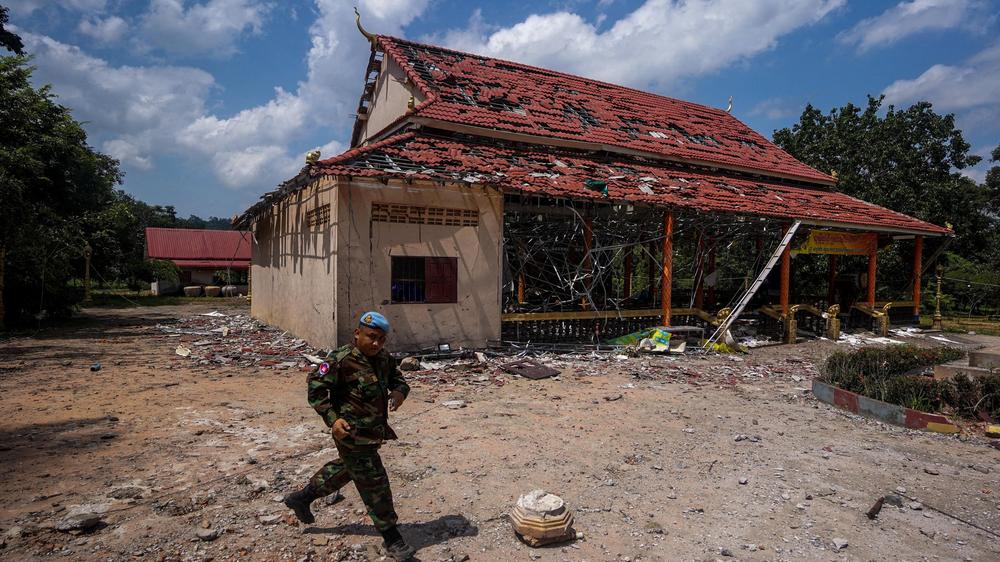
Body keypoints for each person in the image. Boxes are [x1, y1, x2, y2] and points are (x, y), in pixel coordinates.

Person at [283, 311, 415, 561]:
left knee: (348, 470)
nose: (376, 344)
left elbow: (399, 380)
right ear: (357, 334)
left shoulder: (383, 358)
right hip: (350, 434)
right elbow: (316, 390)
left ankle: (302, 498)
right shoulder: (340, 360)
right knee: (374, 482)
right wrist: (333, 420)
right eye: (371, 337)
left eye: (381, 339)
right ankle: (392, 537)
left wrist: (399, 393)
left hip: (372, 433)